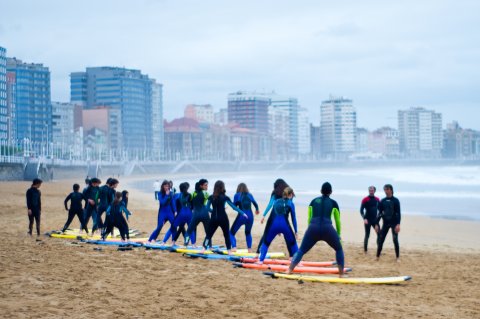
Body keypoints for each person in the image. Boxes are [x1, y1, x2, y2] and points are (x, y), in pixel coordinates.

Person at [287, 182, 346, 278]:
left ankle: (289, 270)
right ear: (331, 192)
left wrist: (310, 230)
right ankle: (341, 275)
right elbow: (338, 221)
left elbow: (309, 218)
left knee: (301, 250)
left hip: (313, 228)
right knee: (339, 249)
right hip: (328, 229)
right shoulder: (334, 203)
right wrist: (338, 234)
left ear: (321, 191)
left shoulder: (313, 201)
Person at [202, 180, 247, 255]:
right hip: (223, 219)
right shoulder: (225, 198)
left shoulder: (211, 197)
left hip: (214, 219)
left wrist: (213, 211)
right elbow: (234, 207)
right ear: (222, 187)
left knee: (209, 235)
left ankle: (203, 249)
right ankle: (229, 251)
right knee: (226, 235)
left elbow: (207, 208)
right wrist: (243, 213)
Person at [258, 187, 298, 263]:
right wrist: (296, 231)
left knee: (266, 243)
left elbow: (272, 216)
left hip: (274, 226)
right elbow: (293, 219)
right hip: (285, 226)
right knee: (293, 243)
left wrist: (272, 229)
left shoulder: (276, 202)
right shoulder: (291, 204)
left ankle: (260, 261)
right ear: (291, 195)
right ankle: (297, 262)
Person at [257, 179, 290, 254]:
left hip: (273, 215)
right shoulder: (289, 192)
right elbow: (289, 207)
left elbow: (270, 204)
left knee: (266, 233)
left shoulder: (275, 192)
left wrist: (263, 215)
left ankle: (257, 252)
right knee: (288, 235)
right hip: (284, 216)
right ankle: (291, 256)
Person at [230, 183, 259, 252]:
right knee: (248, 233)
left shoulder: (237, 195)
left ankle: (234, 247)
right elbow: (255, 203)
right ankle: (249, 249)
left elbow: (234, 206)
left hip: (241, 216)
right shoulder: (250, 195)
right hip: (250, 217)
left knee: (231, 233)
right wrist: (257, 210)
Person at [375, 184, 401, 261]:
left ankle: (397, 257)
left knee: (395, 240)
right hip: (385, 223)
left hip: (394, 223)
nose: (386, 191)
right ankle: (377, 256)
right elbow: (379, 213)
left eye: (387, 189)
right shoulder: (382, 201)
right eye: (385, 190)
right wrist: (377, 224)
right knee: (381, 239)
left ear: (391, 190)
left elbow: (398, 213)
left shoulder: (396, 201)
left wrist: (398, 224)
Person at [184, 179, 209, 247]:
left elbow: (187, 201)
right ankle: (208, 246)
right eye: (206, 185)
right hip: (205, 214)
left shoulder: (192, 193)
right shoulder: (206, 193)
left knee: (189, 231)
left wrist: (191, 207)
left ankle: (186, 243)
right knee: (208, 232)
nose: (207, 187)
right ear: (201, 186)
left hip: (196, 214)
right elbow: (209, 203)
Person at [170, 182, 193, 246]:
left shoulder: (178, 196)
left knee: (180, 228)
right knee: (184, 229)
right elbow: (191, 206)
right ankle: (186, 241)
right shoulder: (188, 195)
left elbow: (176, 205)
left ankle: (174, 241)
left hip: (181, 215)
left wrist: (175, 212)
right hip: (186, 214)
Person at [360, 186, 380, 253]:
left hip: (375, 220)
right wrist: (364, 218)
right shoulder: (365, 199)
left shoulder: (377, 199)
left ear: (374, 191)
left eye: (372, 190)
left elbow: (380, 210)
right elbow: (361, 210)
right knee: (367, 235)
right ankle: (365, 250)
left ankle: (379, 249)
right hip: (367, 220)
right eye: (370, 190)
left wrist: (378, 219)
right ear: (368, 191)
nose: (371, 191)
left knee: (379, 234)